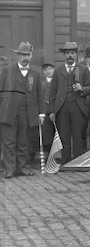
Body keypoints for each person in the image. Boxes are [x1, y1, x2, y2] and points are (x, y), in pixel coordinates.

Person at [0, 42, 44, 178]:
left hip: (27, 112)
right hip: (9, 112)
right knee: (9, 142)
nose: (26, 57)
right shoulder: (7, 70)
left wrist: (41, 113)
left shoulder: (35, 74)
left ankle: (22, 167)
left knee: (23, 142)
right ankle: (9, 169)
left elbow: (40, 95)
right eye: (23, 55)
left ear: (31, 56)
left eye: (28, 55)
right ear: (18, 56)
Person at [49, 41, 90, 165]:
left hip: (78, 107)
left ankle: (77, 162)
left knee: (77, 136)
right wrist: (52, 110)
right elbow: (52, 92)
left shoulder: (84, 70)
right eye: (67, 53)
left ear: (76, 55)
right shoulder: (58, 71)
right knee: (64, 136)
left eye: (72, 53)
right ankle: (65, 162)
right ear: (64, 55)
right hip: (62, 107)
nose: (70, 55)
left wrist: (82, 88)